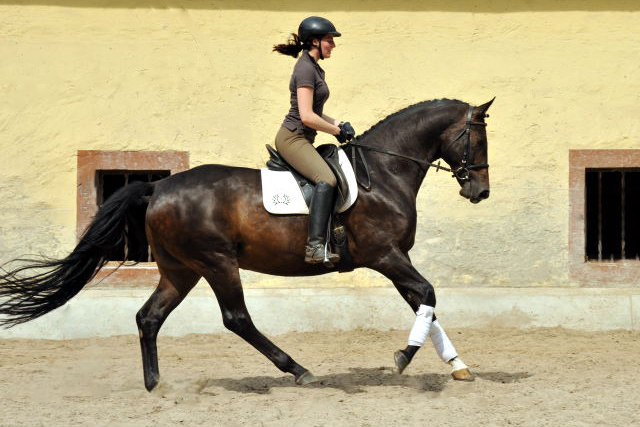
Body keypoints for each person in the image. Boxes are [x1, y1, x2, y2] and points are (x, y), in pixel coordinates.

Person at [273, 16, 356, 265]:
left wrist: (339, 123)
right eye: (329, 40)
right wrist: (334, 131)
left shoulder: (314, 67)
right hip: (293, 138)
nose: (333, 45)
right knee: (327, 179)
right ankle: (315, 247)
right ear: (315, 41)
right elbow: (307, 117)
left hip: (303, 137)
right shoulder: (305, 68)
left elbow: (314, 111)